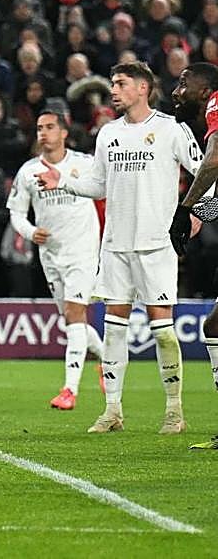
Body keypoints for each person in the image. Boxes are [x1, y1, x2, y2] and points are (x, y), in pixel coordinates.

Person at [38, 61, 198, 435]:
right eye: (112, 83)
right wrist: (62, 180)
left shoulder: (170, 129)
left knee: (162, 331)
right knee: (113, 330)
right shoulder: (108, 133)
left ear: (143, 88)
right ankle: (112, 411)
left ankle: (174, 411)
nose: (113, 89)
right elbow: (98, 184)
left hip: (156, 244)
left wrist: (200, 213)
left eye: (120, 83)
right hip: (116, 246)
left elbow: (204, 168)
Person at [7, 111, 105, 410]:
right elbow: (16, 214)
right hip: (50, 254)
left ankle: (69, 390)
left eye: (50, 127)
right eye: (39, 128)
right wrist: (31, 231)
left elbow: (104, 191)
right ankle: (106, 360)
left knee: (76, 314)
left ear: (64, 132)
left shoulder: (84, 164)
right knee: (71, 320)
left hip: (82, 250)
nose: (43, 133)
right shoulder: (28, 172)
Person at [166, 62, 218, 449]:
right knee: (214, 327)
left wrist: (185, 210)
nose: (176, 91)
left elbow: (214, 162)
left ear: (204, 91)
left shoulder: (217, 103)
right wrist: (198, 214)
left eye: (184, 83)